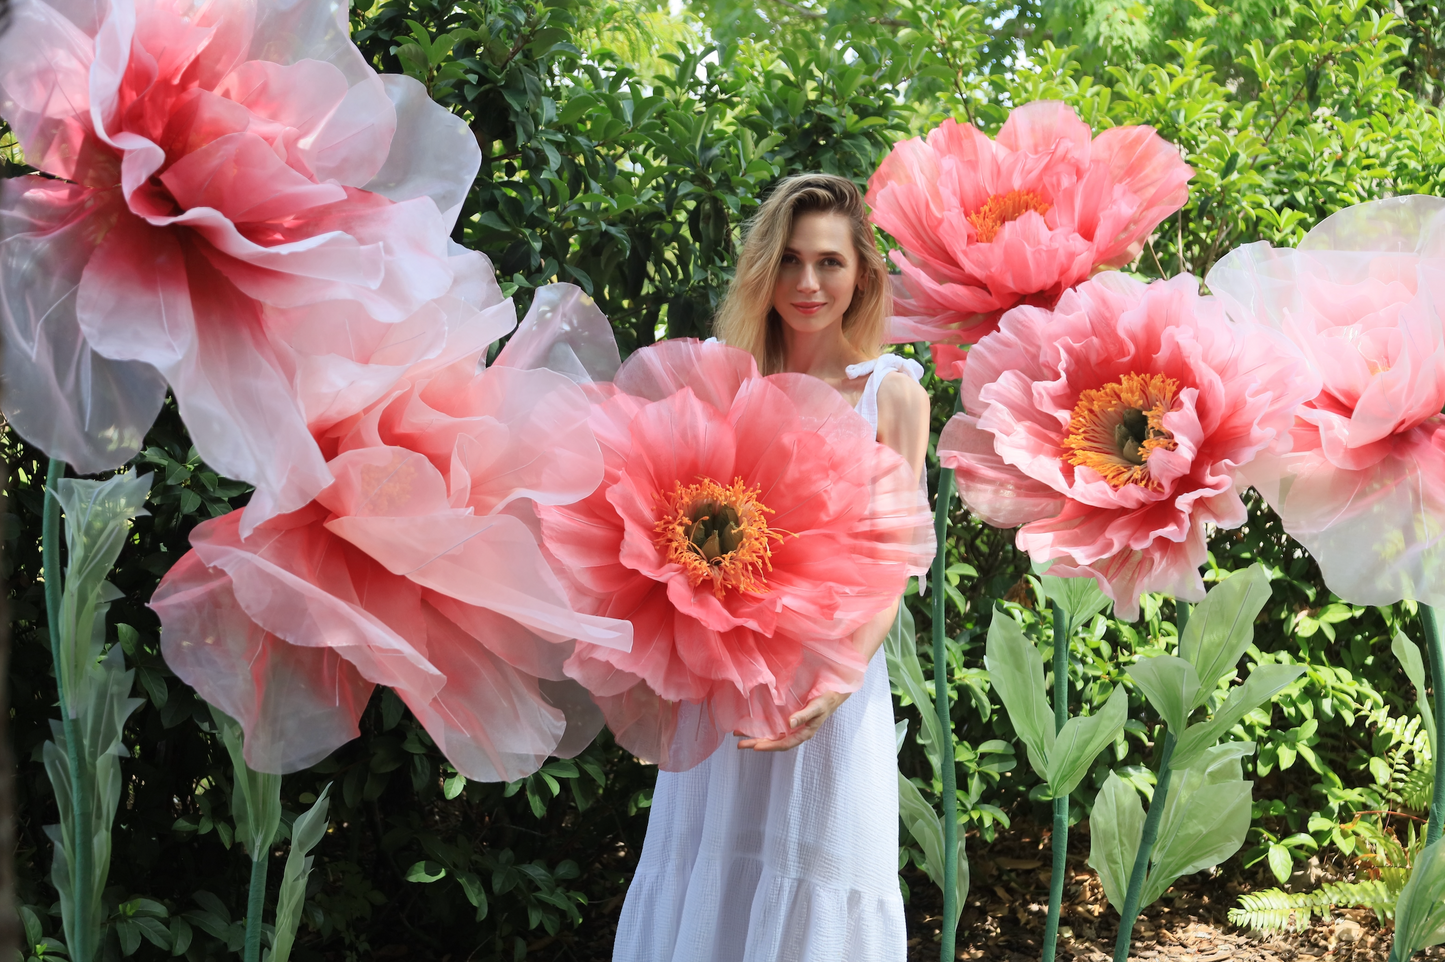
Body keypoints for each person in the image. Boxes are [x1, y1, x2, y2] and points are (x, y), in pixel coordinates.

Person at [612, 173, 930, 962]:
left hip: (829, 679)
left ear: (861, 274)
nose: (808, 283)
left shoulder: (892, 393)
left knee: (818, 872)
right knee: (709, 869)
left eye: (828, 262)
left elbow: (892, 564)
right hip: (722, 674)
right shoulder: (724, 378)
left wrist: (835, 683)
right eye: (788, 261)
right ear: (764, 269)